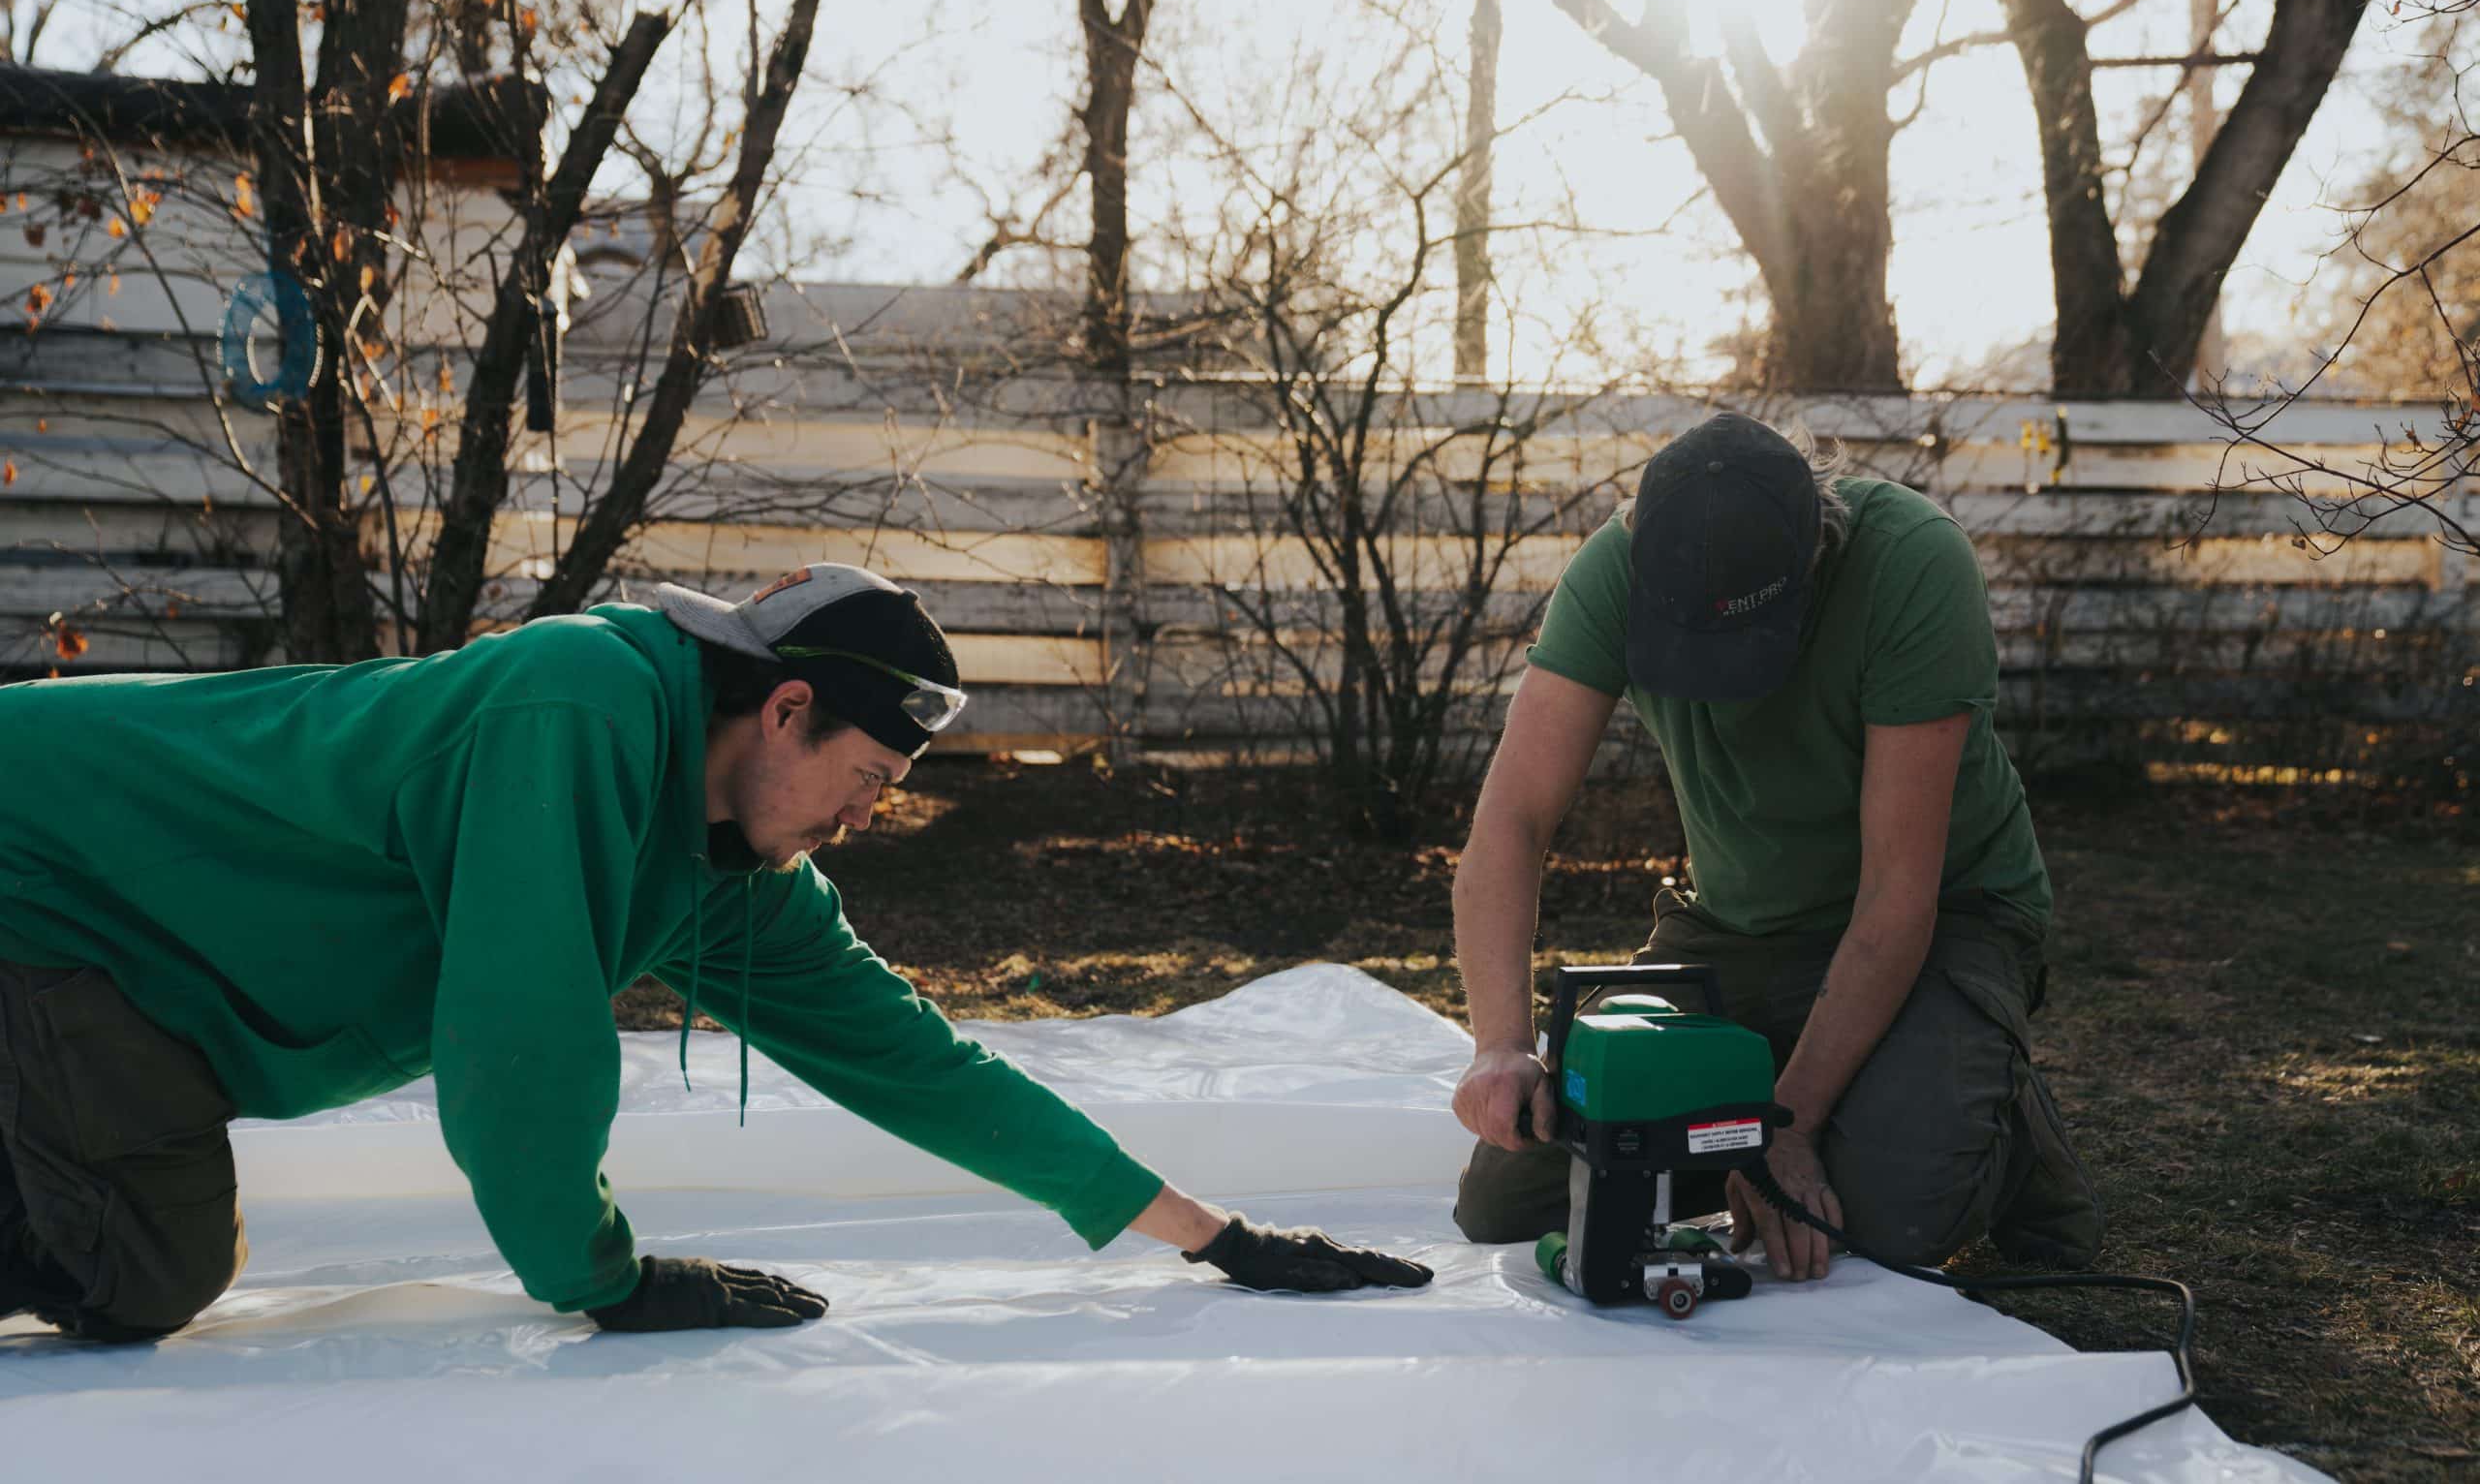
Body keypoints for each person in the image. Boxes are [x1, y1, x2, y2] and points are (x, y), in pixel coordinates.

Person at [0, 563, 1431, 1343]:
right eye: (869, 778)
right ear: (788, 709)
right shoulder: (572, 708)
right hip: (45, 875)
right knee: (146, 1270)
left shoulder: (725, 867)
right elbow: (520, 1048)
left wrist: (1211, 1232)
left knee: (138, 1224)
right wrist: (603, 1277)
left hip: (131, 978)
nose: (868, 819)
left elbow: (915, 1062)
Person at [1449, 413, 2102, 1281]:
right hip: (1737, 927)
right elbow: (1511, 822)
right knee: (1513, 1201)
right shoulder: (1612, 570)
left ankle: (1996, 1104)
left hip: (1947, 920)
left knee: (1881, 1220)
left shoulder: (1911, 564)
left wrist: (1784, 1128)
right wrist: (1500, 1045)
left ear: (1814, 561)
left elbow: (1895, 899)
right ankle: (1859, 1082)